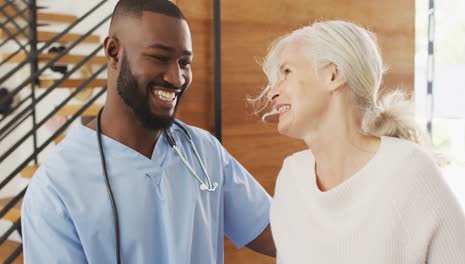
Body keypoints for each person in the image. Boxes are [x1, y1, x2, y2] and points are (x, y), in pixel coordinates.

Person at [21, 1, 275, 263]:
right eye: (159, 57)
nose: (177, 78)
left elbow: (279, 233)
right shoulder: (56, 187)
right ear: (113, 52)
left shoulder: (204, 150)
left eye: (184, 62)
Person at [252, 20, 465, 263]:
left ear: (333, 75)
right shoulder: (292, 177)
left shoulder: (408, 169)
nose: (272, 92)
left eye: (287, 72)